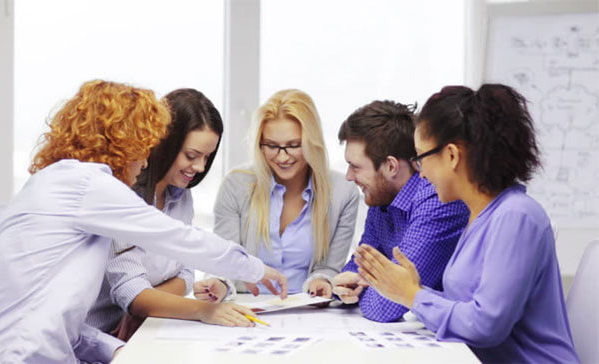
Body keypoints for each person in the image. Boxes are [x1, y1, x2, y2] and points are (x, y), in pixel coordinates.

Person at [0, 80, 287, 364]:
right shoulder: (88, 185)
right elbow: (174, 237)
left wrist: (117, 350)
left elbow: (61, 319)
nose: (145, 160)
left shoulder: (56, 185)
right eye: (141, 147)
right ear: (118, 143)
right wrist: (254, 270)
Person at [354, 84, 579, 363]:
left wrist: (412, 295)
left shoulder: (515, 217)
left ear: (451, 155)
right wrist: (415, 290)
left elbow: (486, 326)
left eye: (421, 158)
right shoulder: (479, 215)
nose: (421, 175)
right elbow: (466, 308)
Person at [85, 88, 245, 341]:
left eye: (207, 157)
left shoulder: (181, 196)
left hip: (146, 329)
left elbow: (185, 274)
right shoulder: (123, 194)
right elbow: (131, 292)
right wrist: (205, 311)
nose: (200, 167)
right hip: (100, 338)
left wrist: (146, 306)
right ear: (165, 143)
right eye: (192, 156)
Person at [196, 89, 359, 301]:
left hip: (306, 308)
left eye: (293, 146)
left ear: (312, 143)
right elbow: (225, 261)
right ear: (259, 144)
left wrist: (322, 281)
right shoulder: (236, 185)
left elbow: (329, 267)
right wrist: (218, 284)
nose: (282, 157)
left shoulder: (343, 192)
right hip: (246, 306)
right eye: (272, 146)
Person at [331, 100, 469, 322]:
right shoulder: (382, 197)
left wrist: (363, 286)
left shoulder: (437, 202)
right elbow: (357, 269)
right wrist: (343, 286)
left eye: (355, 166)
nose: (348, 176)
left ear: (391, 166)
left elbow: (385, 307)